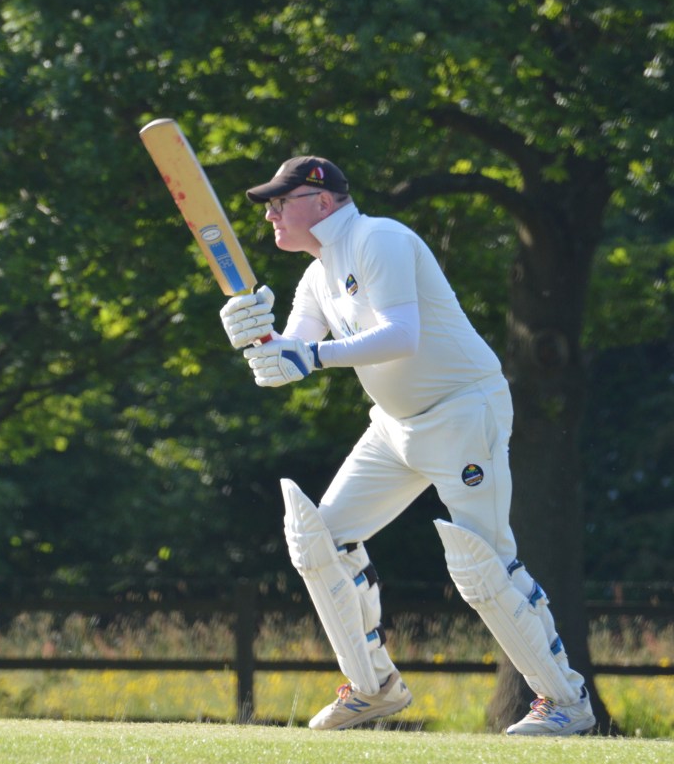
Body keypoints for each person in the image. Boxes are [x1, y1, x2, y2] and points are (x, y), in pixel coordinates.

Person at [219, 155, 596, 735]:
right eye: (267, 204)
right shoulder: (318, 276)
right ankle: (373, 689)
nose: (269, 214)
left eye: (279, 201)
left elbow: (401, 335)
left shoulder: (380, 238)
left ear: (323, 201)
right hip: (394, 426)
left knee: (482, 562)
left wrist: (309, 355)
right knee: (318, 538)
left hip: (463, 411)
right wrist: (257, 338)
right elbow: (286, 363)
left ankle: (566, 702)